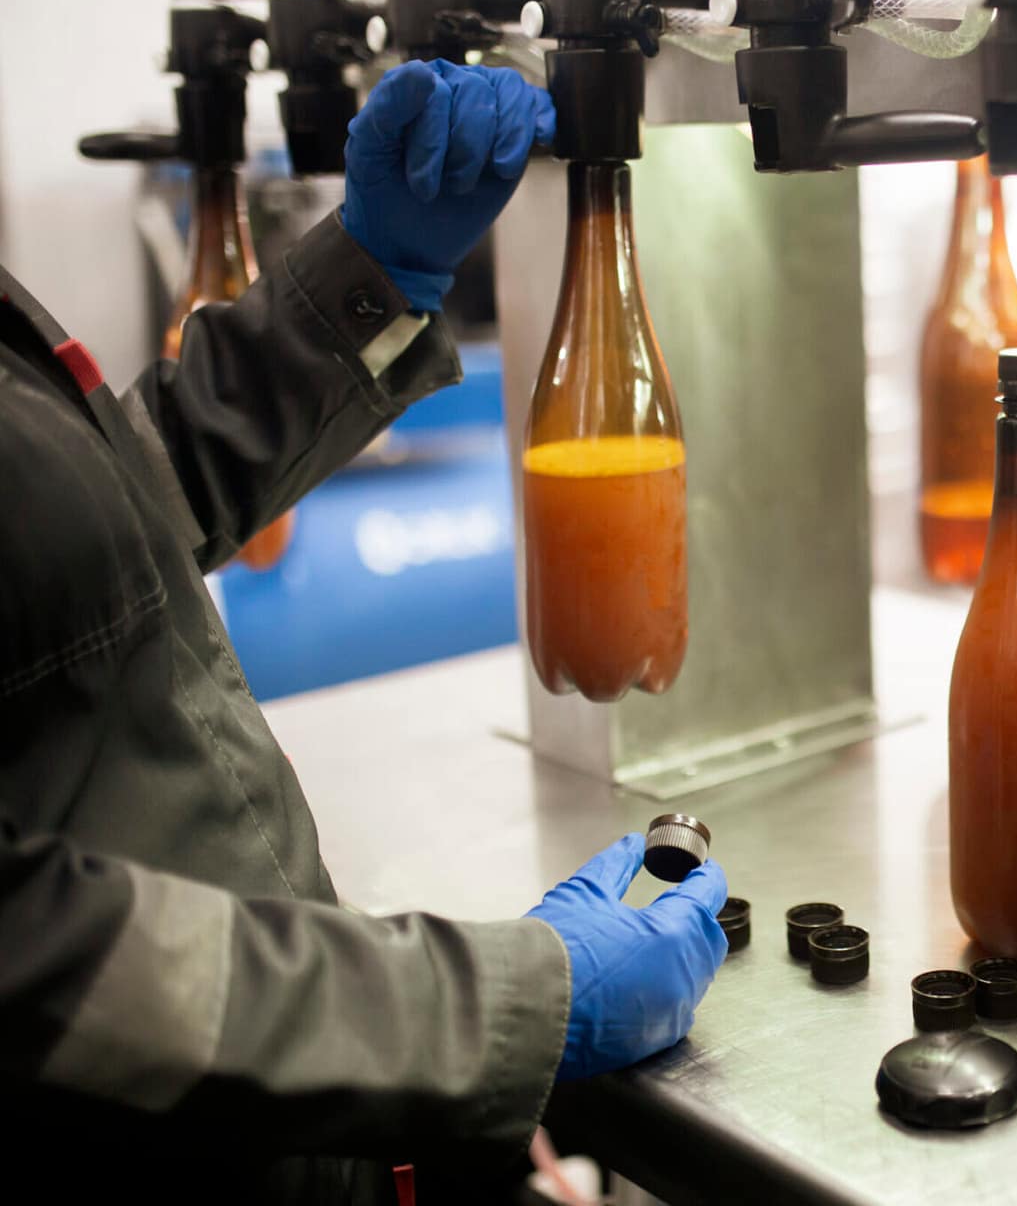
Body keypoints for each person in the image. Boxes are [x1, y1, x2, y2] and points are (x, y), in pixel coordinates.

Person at [0, 60, 729, 1203]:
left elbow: (87, 531)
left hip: (278, 1114)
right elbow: (35, 960)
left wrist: (369, 275)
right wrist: (492, 1009)